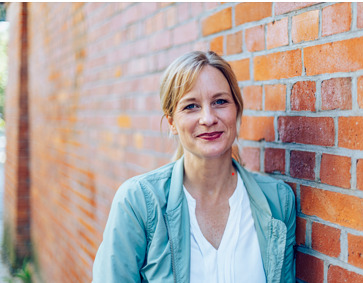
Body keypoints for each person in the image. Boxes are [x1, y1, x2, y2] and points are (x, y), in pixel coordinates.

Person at [92, 51, 296, 282]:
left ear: (237, 111)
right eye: (191, 106)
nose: (208, 118)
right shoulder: (138, 202)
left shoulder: (277, 201)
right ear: (171, 122)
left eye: (220, 102)